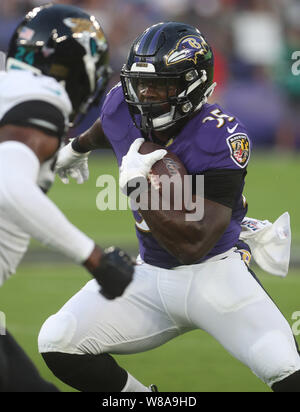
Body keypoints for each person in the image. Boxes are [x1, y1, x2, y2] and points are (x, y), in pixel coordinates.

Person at [38, 22, 300, 392]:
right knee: (58, 340)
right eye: (140, 83)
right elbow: (108, 124)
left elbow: (193, 245)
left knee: (287, 368)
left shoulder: (220, 137)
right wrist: (76, 148)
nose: (145, 95)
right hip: (149, 275)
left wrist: (138, 188)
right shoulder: (122, 104)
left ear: (192, 85)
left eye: (160, 85)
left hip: (216, 275)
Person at [0, 3, 140, 392]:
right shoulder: (42, 101)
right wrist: (95, 259)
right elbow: (10, 186)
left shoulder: (10, 87)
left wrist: (61, 156)